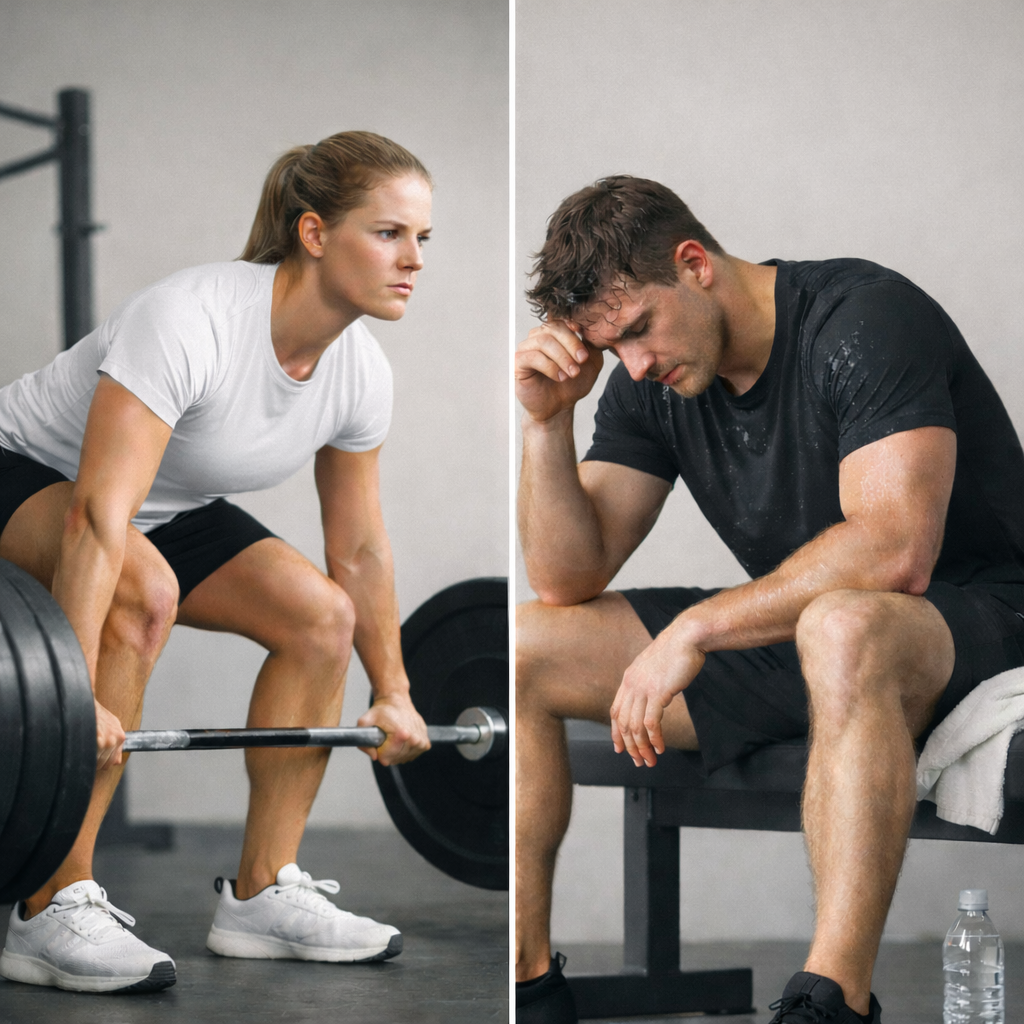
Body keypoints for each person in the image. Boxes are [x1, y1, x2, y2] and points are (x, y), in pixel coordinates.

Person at [514, 176, 1024, 1024]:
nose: (633, 365)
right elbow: (567, 579)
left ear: (694, 264)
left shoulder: (863, 318)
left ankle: (831, 1001)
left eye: (638, 329)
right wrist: (545, 425)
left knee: (841, 622)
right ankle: (531, 987)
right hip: (819, 632)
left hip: (982, 618)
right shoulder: (652, 379)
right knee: (527, 645)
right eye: (611, 348)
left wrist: (697, 629)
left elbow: (896, 548)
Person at [0, 131, 436, 994]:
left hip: (159, 505)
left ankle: (263, 894)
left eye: (423, 238)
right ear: (315, 234)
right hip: (27, 472)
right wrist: (75, 697)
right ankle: (50, 905)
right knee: (141, 591)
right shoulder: (192, 318)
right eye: (389, 233)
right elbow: (97, 515)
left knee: (321, 618)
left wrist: (394, 690)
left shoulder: (359, 372)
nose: (414, 259)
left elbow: (357, 549)